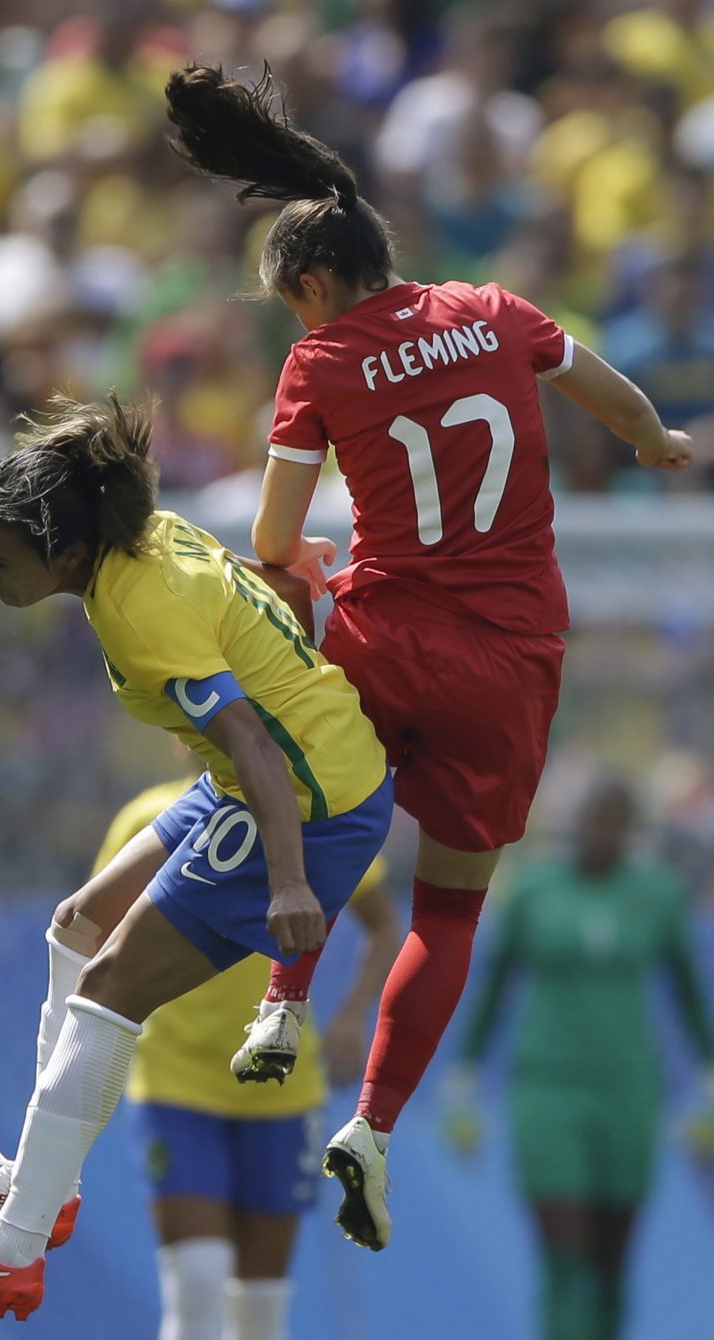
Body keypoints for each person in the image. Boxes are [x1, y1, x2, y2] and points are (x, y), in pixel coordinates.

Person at [161, 62, 695, 1253]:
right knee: (447, 912)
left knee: (319, 807)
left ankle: (281, 1003)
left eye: (291, 304)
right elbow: (606, 395)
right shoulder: (496, 311)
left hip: (383, 637)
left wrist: (302, 565)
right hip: (509, 660)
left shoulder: (321, 361)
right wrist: (659, 440)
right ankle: (372, 1127)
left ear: (310, 282)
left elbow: (267, 534)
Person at [0, 391, 393, 1322]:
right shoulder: (154, 536)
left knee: (106, 991)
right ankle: (43, 1187)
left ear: (66, 553)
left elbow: (254, 745)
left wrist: (286, 880)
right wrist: (304, 585)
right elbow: (250, 593)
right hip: (273, 771)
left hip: (305, 796)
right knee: (77, 923)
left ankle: (15, 1249)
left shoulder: (132, 611)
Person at [98, 771, 398, 1340]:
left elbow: (384, 926)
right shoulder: (150, 818)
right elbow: (98, 934)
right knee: (198, 1285)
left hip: (280, 1090)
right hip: (176, 1081)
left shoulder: (319, 817)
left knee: (261, 1311)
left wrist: (352, 1018)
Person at [443, 776, 714, 1340]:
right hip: (546, 1089)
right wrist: (463, 1080)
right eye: (594, 819)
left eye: (615, 822)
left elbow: (689, 996)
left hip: (629, 1091)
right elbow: (494, 987)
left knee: (611, 1262)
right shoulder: (537, 892)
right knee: (564, 1252)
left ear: (631, 831)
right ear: (577, 825)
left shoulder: (656, 895)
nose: (602, 833)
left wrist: (708, 1086)